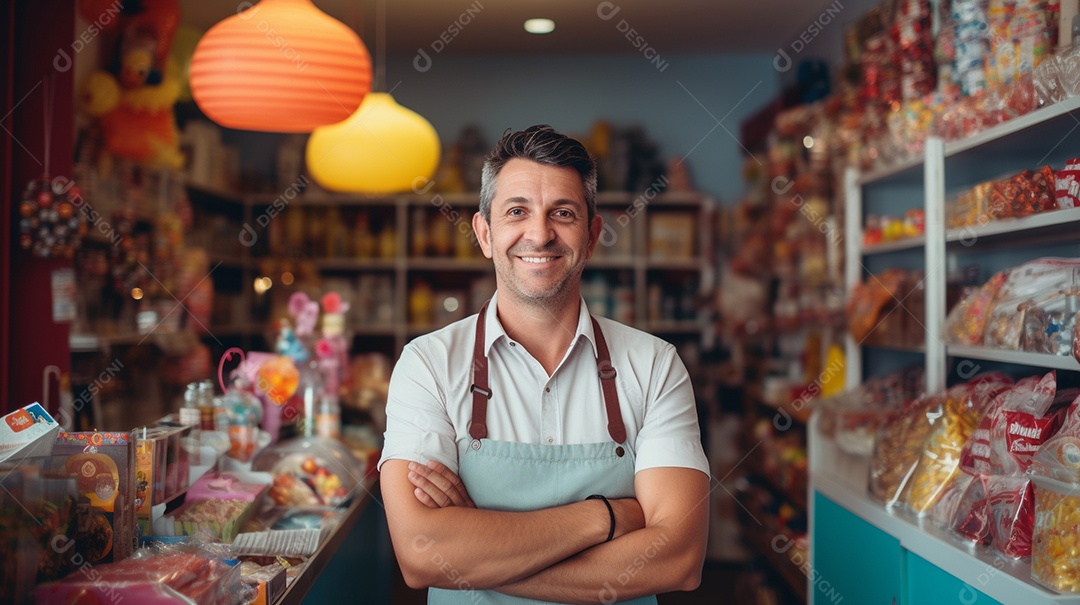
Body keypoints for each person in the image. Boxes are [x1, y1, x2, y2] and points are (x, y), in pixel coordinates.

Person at [379, 125, 710, 605]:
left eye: (563, 213)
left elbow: (678, 559)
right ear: (485, 234)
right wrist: (608, 518)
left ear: (593, 235)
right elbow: (420, 555)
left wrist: (477, 557)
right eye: (517, 211)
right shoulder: (427, 364)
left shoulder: (655, 365)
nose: (539, 233)